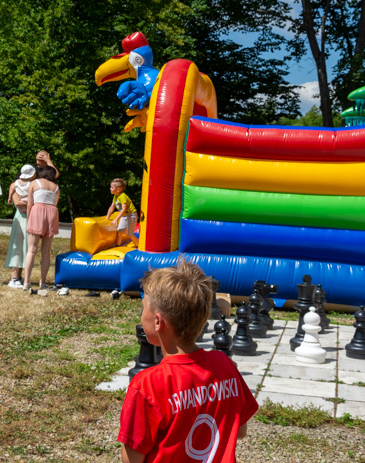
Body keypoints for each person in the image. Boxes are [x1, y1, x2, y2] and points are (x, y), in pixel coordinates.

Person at [117, 259, 258, 462]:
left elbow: (132, 459)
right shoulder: (224, 365)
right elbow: (240, 429)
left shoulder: (147, 385)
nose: (141, 315)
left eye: (143, 309)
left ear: (157, 322)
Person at [22, 165, 59, 291]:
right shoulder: (56, 187)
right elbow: (55, 203)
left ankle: (26, 282)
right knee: (46, 251)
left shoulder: (34, 182)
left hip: (37, 210)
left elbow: (29, 204)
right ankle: (42, 282)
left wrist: (29, 219)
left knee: (31, 249)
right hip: (52, 212)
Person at [4, 164, 36, 288]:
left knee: (26, 247)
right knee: (17, 246)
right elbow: (17, 202)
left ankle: (20, 276)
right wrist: (29, 202)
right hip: (21, 217)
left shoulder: (30, 184)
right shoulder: (14, 184)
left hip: (29, 217)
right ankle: (14, 277)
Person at [106, 178, 137, 244]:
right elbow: (111, 207)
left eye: (112, 187)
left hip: (131, 215)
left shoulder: (123, 196)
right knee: (119, 231)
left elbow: (124, 209)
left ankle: (138, 245)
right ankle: (118, 245)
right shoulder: (115, 196)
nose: (110, 188)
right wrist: (107, 218)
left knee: (130, 234)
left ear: (118, 189)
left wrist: (116, 219)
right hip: (124, 215)